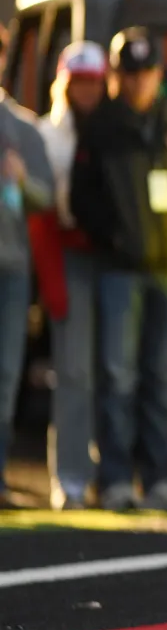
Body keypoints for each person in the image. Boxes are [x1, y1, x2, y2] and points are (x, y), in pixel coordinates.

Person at [70, 27, 167, 512]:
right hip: (121, 270)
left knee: (163, 377)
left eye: (146, 73)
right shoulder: (103, 126)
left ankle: (159, 478)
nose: (138, 83)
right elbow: (80, 197)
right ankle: (114, 479)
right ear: (117, 76)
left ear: (157, 75)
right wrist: (115, 237)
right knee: (117, 375)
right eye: (129, 74)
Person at [35, 41, 108, 509]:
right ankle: (72, 477)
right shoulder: (45, 134)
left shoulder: (113, 128)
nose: (84, 90)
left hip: (110, 259)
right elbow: (40, 215)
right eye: (77, 81)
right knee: (75, 371)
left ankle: (109, 472)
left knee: (111, 372)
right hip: (67, 255)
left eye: (92, 82)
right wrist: (52, 282)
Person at [0, 25, 55, 508]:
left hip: (12, 269)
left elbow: (45, 198)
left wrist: (20, 179)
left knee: (5, 376)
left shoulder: (22, 126)